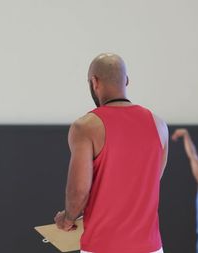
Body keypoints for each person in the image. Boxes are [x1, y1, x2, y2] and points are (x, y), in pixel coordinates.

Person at [54, 53, 169, 253]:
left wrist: (68, 218)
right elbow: (152, 180)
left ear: (94, 82)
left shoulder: (86, 126)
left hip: (103, 246)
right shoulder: (159, 125)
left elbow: (79, 191)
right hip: (150, 246)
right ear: (126, 80)